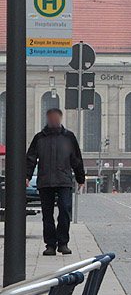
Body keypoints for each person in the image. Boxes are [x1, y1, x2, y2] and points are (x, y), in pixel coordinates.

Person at [25, 108, 86, 256]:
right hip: (45, 181)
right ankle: (50, 245)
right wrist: (26, 175)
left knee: (65, 210)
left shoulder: (69, 137)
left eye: (56, 118)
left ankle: (63, 243)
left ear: (60, 119)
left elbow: (76, 159)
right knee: (47, 214)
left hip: (64, 180)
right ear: (48, 119)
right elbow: (31, 158)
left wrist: (80, 178)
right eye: (51, 118)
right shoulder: (40, 138)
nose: (54, 120)